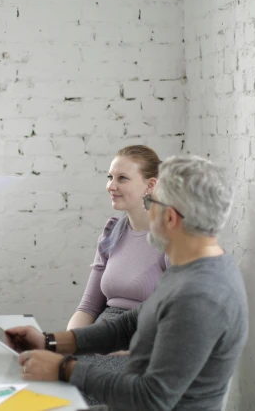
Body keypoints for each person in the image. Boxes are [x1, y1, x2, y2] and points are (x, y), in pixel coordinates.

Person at [5, 155, 248, 411]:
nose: (147, 209)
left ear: (170, 219)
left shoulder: (199, 296)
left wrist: (64, 368)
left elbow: (151, 398)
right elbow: (128, 325)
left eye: (150, 202)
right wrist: (49, 342)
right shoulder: (191, 267)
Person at [67, 146, 166, 404]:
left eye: (122, 178)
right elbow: (88, 306)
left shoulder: (171, 239)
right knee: (45, 374)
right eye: (110, 177)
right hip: (102, 338)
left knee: (77, 385)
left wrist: (116, 348)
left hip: (143, 348)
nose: (111, 185)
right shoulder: (113, 231)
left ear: (150, 185)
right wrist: (73, 342)